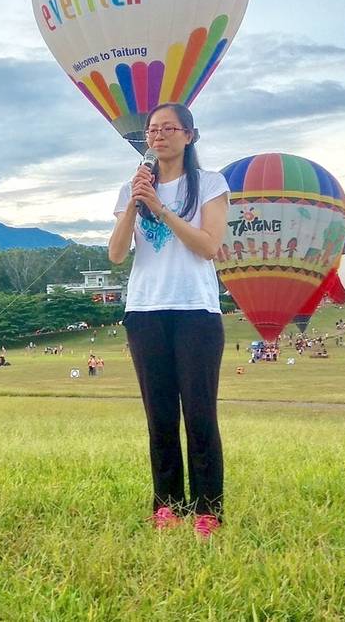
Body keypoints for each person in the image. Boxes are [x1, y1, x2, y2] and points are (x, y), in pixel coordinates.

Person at [108, 103, 229, 538]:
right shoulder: (133, 188)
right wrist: (134, 203)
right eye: (151, 130)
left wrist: (160, 208)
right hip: (145, 311)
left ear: (190, 135)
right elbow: (117, 253)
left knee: (199, 413)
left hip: (195, 310)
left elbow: (208, 246)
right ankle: (167, 504)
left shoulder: (210, 184)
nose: (157, 136)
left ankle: (208, 508)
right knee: (158, 416)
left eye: (168, 128)